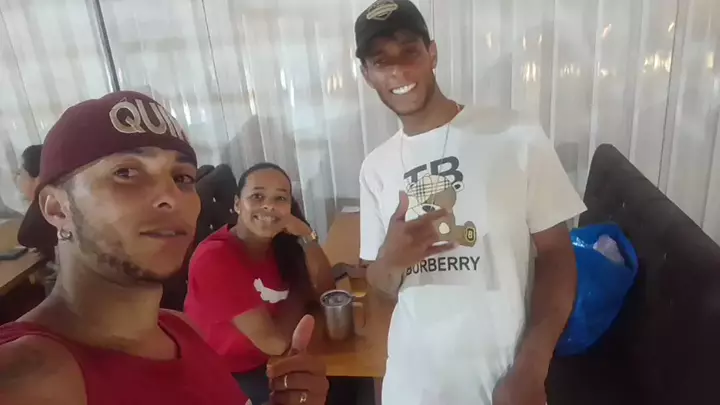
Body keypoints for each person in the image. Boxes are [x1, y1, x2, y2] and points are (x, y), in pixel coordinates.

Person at [0, 91, 329, 405]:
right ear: (57, 208)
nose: (170, 197)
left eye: (182, 177)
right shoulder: (31, 378)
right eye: (126, 173)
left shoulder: (180, 329)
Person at [354, 1, 586, 404]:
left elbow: (557, 255)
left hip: (502, 382)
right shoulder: (375, 167)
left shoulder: (515, 134)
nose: (398, 71)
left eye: (409, 51)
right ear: (367, 74)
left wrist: (533, 366)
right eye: (381, 61)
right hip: (413, 387)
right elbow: (380, 288)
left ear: (432, 54)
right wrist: (390, 262)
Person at [185, 162, 335, 405]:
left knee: (351, 388)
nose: (269, 206)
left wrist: (307, 236)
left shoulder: (281, 243)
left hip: (271, 361)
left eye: (280, 198)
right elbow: (274, 343)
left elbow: (326, 292)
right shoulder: (214, 259)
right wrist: (301, 297)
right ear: (237, 204)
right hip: (229, 375)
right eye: (257, 196)